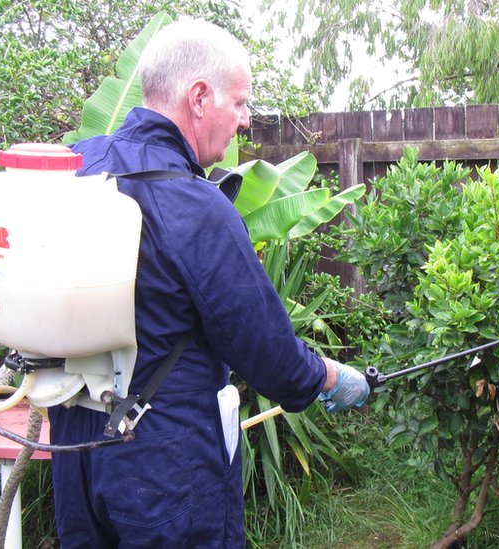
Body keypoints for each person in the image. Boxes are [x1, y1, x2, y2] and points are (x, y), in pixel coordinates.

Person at [47, 18, 370, 548]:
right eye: (240, 102)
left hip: (75, 453)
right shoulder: (196, 207)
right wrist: (332, 378)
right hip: (164, 467)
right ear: (199, 97)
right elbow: (273, 359)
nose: (245, 120)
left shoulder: (76, 167)